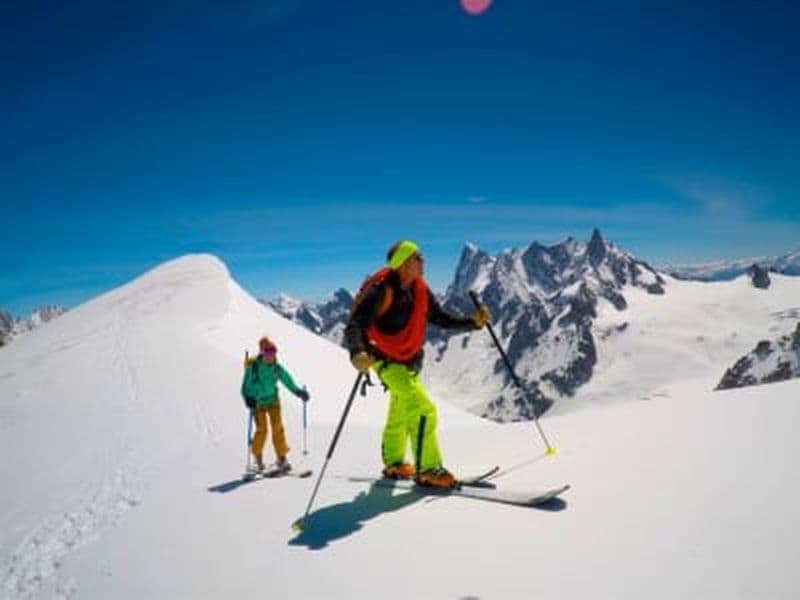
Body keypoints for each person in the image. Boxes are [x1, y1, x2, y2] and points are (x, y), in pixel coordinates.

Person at [344, 240, 491, 489]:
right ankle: (428, 469)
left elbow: (440, 318)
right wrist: (357, 352)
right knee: (423, 409)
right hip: (385, 360)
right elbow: (355, 324)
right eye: (417, 258)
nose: (423, 261)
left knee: (401, 410)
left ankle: (394, 462)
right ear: (403, 264)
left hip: (409, 361)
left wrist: (472, 323)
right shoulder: (380, 290)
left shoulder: (419, 290)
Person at [241, 337, 310, 475]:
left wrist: (298, 392)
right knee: (262, 430)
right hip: (258, 403)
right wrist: (248, 399)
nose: (271, 355)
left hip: (273, 401)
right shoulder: (253, 367)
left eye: (273, 351)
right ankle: (258, 459)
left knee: (277, 427)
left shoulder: (277, 368)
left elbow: (287, 381)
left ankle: (282, 459)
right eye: (268, 352)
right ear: (262, 352)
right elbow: (245, 387)